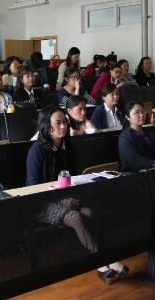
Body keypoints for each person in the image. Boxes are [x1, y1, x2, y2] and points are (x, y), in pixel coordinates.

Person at [26, 106, 128, 282]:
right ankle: (104, 261)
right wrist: (60, 199)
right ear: (46, 126)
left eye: (64, 122)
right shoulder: (37, 151)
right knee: (75, 217)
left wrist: (69, 196)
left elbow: (74, 178)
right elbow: (33, 187)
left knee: (88, 213)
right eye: (57, 123)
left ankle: (101, 262)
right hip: (41, 203)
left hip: (68, 197)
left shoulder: (68, 146)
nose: (63, 126)